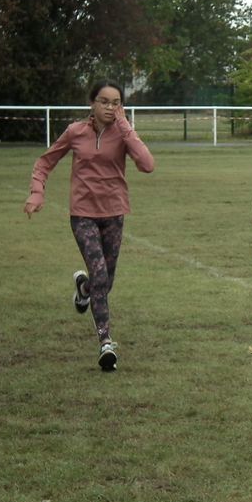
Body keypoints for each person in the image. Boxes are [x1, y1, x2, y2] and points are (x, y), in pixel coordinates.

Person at [23, 80, 155, 371]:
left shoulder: (123, 132)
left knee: (104, 281)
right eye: (104, 102)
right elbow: (45, 162)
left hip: (114, 213)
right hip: (83, 213)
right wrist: (36, 191)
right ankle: (105, 341)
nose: (110, 108)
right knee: (99, 273)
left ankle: (84, 289)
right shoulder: (75, 131)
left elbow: (147, 165)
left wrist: (125, 128)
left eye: (116, 102)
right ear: (92, 104)